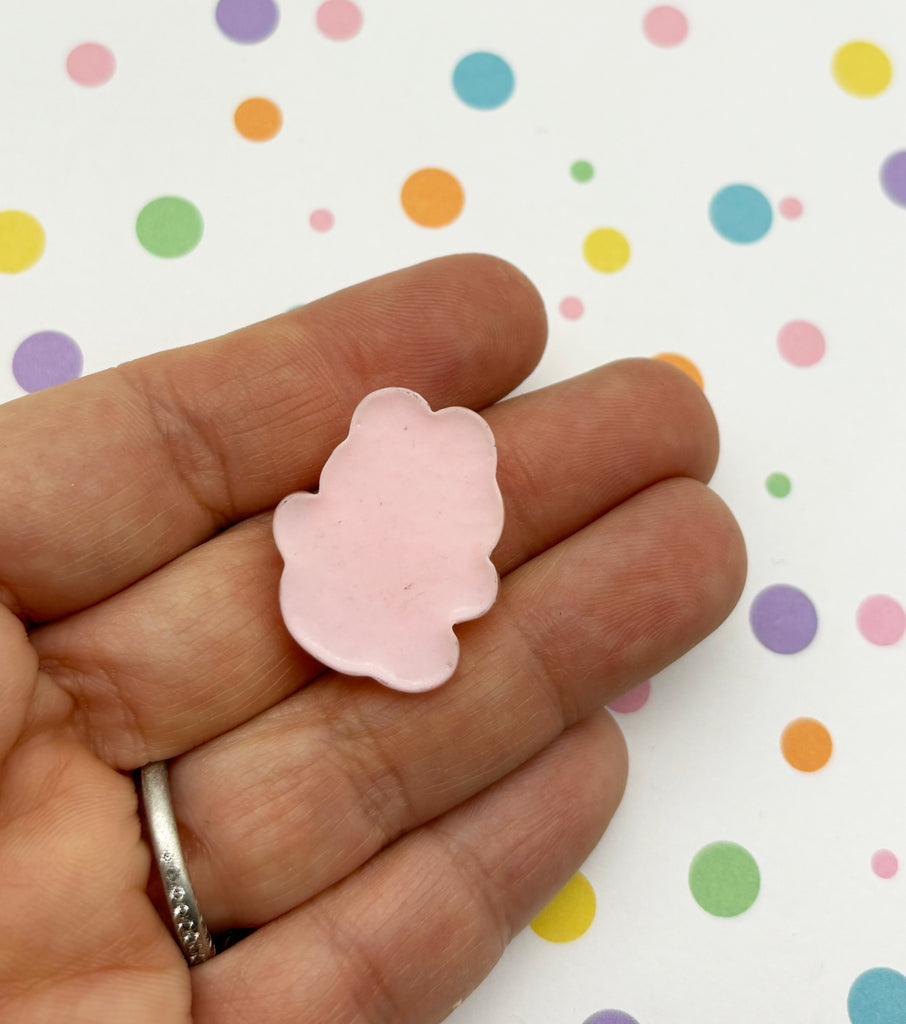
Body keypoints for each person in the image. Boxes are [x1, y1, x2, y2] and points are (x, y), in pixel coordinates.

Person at [0, 254, 745, 1022]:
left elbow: (450, 577)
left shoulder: (438, 542)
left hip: (388, 614)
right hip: (345, 601)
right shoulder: (354, 518)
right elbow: (319, 529)